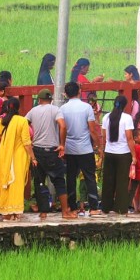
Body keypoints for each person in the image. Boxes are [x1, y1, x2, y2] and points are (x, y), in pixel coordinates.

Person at [26, 88, 73, 220]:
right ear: (51, 99)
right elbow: (63, 126)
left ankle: (43, 212)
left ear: (39, 100)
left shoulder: (33, 111)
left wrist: (30, 140)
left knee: (39, 181)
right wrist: (62, 144)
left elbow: (24, 124)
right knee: (59, 181)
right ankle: (65, 212)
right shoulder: (55, 110)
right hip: (52, 151)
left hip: (37, 151)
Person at [0, 97, 34, 221]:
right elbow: (26, 142)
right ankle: (15, 211)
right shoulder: (22, 121)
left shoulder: (1, 122)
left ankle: (6, 212)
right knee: (16, 183)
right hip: (18, 158)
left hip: (4, 156)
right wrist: (33, 157)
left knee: (4, 182)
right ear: (18, 107)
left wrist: (6, 140)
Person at [61, 81, 101, 214]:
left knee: (71, 178)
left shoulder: (63, 109)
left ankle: (73, 207)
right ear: (79, 91)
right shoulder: (87, 108)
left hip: (69, 149)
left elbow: (62, 129)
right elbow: (92, 130)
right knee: (90, 177)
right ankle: (93, 208)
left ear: (66, 94)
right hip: (85, 148)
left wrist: (62, 145)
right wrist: (99, 146)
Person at [98, 95, 137, 216]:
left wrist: (103, 151)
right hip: (123, 154)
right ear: (125, 105)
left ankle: (106, 207)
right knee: (122, 181)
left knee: (108, 180)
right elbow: (129, 138)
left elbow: (104, 136)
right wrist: (134, 155)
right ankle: (121, 208)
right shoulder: (127, 118)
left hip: (109, 152)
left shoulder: (106, 117)